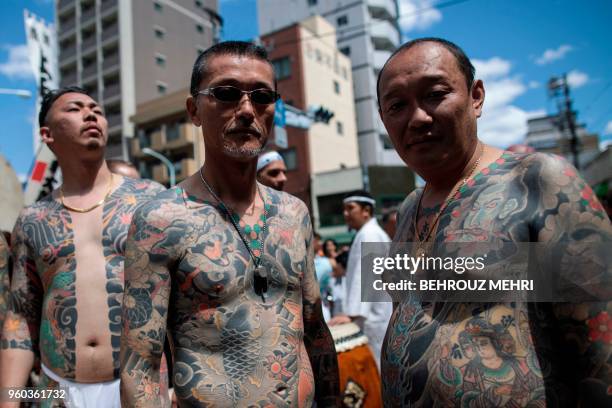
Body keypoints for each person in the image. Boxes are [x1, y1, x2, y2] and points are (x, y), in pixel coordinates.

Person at [377, 37, 611, 406]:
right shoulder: (408, 209)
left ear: (476, 97)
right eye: (397, 105)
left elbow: (601, 354)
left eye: (435, 94)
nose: (417, 117)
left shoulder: (540, 180)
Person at [119, 41, 339, 407]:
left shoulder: (294, 213)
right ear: (194, 110)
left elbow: (315, 332)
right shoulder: (161, 219)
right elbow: (140, 363)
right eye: (226, 93)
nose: (247, 110)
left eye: (262, 97)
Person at [0, 87, 165, 408]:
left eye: (97, 109)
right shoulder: (33, 219)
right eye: (75, 109)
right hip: (54, 391)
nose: (91, 114)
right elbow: (20, 317)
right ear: (47, 135)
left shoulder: (151, 200)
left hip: (138, 388)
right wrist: (9, 400)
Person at [328, 190, 392, 368]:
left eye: (350, 208)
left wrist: (352, 313)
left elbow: (366, 276)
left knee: (376, 367)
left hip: (373, 316)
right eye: (344, 209)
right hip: (374, 312)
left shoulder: (369, 234)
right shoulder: (368, 232)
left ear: (366, 210)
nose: (345, 213)